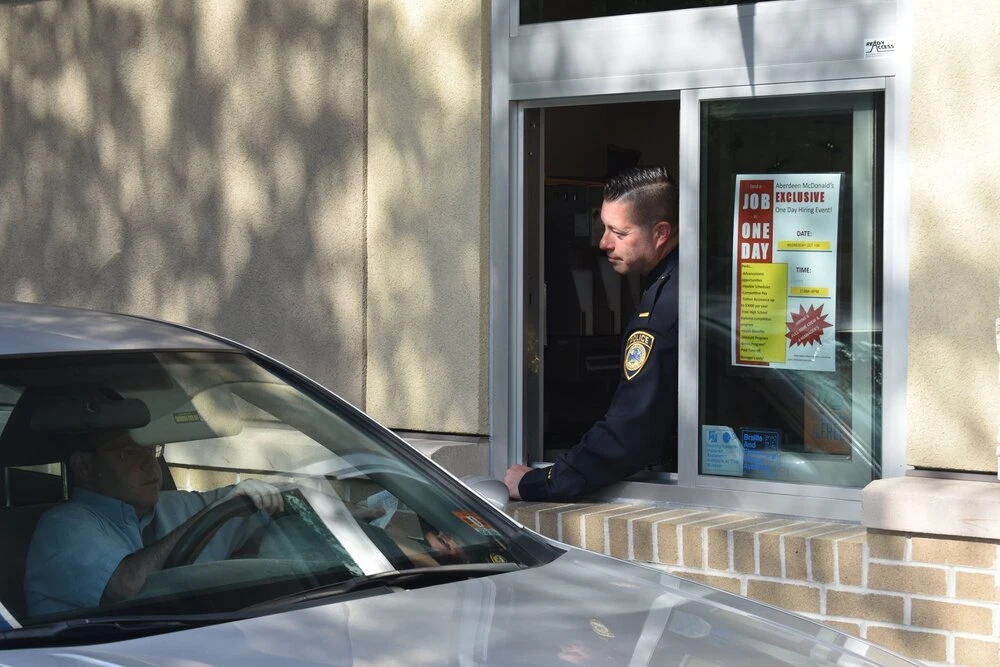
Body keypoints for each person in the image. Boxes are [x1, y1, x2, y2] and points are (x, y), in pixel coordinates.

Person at [504, 166, 679, 501]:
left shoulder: (665, 308)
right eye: (603, 228)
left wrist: (540, 483)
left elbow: (629, 433)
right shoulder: (678, 281)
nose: (603, 243)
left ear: (660, 233)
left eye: (619, 233)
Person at [23, 429, 285, 616]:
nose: (150, 464)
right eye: (128, 453)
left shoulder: (171, 505)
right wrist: (210, 514)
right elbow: (127, 585)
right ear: (84, 467)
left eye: (151, 450)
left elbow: (263, 505)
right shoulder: (62, 527)